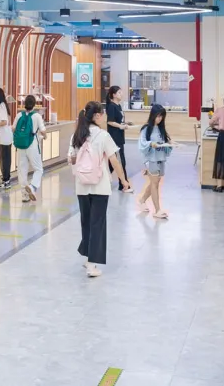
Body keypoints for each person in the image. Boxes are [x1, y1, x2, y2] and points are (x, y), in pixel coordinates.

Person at [69, 101, 133, 278]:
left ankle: (87, 256)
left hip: (82, 185)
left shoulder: (77, 135)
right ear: (97, 116)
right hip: (100, 185)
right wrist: (124, 180)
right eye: (103, 113)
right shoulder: (103, 136)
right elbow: (114, 161)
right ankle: (92, 265)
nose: (104, 116)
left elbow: (72, 158)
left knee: (86, 222)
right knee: (97, 223)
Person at [136, 104, 172, 219]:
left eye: (162, 116)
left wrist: (170, 143)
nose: (160, 118)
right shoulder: (146, 129)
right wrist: (151, 143)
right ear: (153, 115)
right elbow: (142, 143)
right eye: (158, 116)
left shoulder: (161, 129)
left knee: (154, 183)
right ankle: (157, 210)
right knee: (155, 183)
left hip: (160, 158)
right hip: (151, 159)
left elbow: (165, 142)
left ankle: (142, 200)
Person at [14, 94, 47, 203]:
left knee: (22, 170)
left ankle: (24, 195)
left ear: (24, 104)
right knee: (38, 169)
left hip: (21, 146)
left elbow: (13, 128)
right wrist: (45, 136)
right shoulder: (37, 116)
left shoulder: (19, 115)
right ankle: (32, 187)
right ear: (34, 104)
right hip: (32, 144)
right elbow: (43, 130)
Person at [105, 86, 132, 191]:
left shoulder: (118, 106)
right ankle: (124, 185)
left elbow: (118, 120)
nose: (122, 94)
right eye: (119, 93)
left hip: (120, 136)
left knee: (113, 162)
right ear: (114, 95)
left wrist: (125, 123)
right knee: (121, 161)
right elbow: (110, 121)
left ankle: (103, 178)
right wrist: (120, 126)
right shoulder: (111, 106)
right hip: (114, 137)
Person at [0, 87, 14, 190]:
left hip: (4, 137)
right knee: (5, 159)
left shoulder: (1, 106)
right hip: (6, 136)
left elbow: (4, 122)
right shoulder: (3, 105)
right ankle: (6, 180)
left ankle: (6, 181)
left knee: (4, 160)